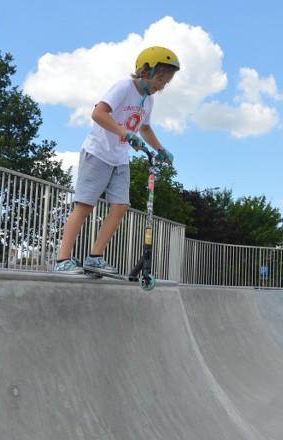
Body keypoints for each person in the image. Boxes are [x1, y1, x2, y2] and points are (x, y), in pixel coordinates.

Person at [55, 46, 180, 274]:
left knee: (121, 206)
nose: (161, 86)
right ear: (146, 71)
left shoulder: (148, 101)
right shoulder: (124, 87)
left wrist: (161, 148)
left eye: (166, 82)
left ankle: (94, 257)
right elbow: (98, 113)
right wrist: (125, 133)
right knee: (85, 206)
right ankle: (63, 259)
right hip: (98, 152)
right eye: (161, 79)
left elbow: (145, 128)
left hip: (120, 158)